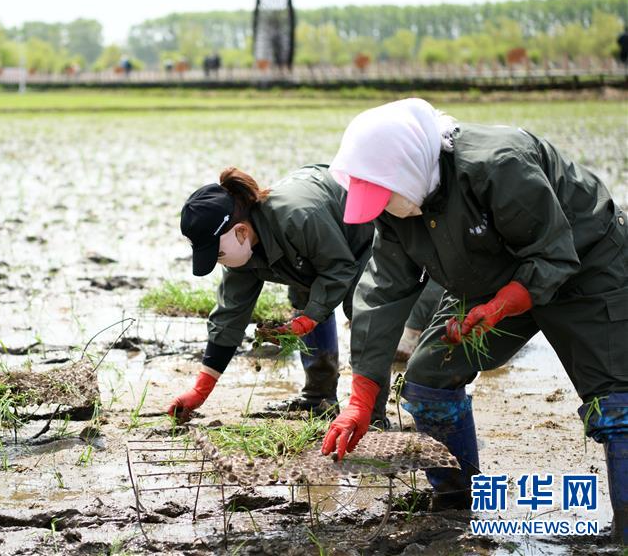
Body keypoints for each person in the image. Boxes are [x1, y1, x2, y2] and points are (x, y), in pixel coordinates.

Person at [319, 98, 627, 542]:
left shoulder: (498, 163)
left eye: (384, 196)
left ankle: (625, 534)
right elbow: (382, 289)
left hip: (585, 264)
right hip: (487, 276)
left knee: (615, 402)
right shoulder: (399, 204)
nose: (383, 207)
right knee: (428, 376)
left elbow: (554, 252)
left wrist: (504, 305)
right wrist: (362, 396)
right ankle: (457, 504)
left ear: (407, 166)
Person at [167, 166, 440, 422]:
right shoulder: (241, 253)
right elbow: (229, 316)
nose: (217, 262)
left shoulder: (298, 218)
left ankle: (371, 414)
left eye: (217, 255)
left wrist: (310, 318)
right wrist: (200, 391)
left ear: (240, 231)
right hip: (315, 248)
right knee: (304, 294)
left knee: (363, 313)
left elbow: (339, 269)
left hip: (363, 237)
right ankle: (319, 398)